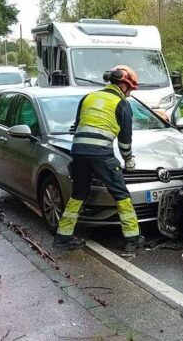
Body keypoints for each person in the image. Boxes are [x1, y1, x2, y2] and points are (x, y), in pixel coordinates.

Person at [53, 65, 144, 256]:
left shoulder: (89, 97)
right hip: (101, 154)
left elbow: (76, 126)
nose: (129, 94)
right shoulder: (122, 104)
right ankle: (132, 240)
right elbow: (125, 140)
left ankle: (63, 237)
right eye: (129, 88)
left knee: (78, 194)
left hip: (78, 152)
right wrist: (129, 161)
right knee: (121, 195)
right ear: (122, 84)